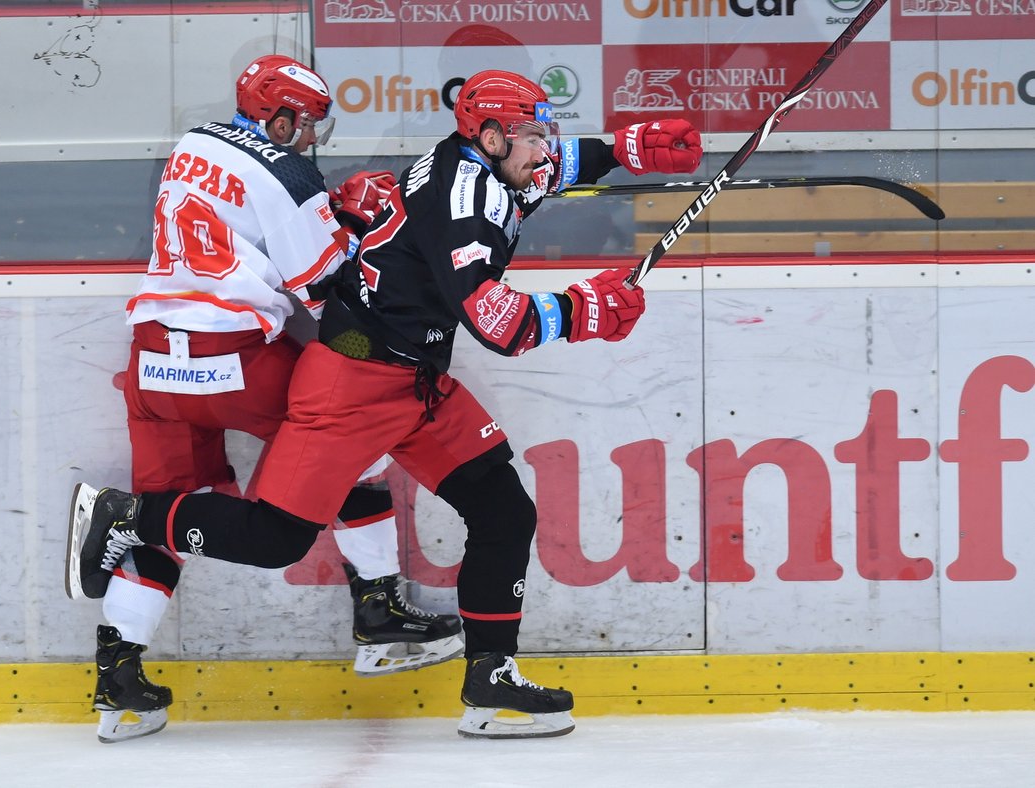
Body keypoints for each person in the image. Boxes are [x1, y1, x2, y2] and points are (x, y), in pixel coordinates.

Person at [68, 69, 703, 739]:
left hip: (399, 378)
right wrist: (584, 310)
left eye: (545, 136)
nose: (545, 150)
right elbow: (498, 322)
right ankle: (135, 516)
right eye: (533, 137)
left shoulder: (485, 160)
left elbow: (542, 169)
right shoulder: (460, 207)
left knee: (503, 508)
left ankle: (488, 678)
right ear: (489, 137)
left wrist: (626, 148)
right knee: (277, 537)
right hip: (352, 383)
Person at [63, 54, 462, 744]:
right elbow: (325, 280)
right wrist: (350, 218)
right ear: (278, 117)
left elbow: (238, 223)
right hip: (232, 360)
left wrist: (325, 209)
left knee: (171, 518)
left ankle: (118, 677)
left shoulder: (194, 142)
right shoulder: (288, 171)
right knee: (351, 434)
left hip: (154, 363)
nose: (310, 139)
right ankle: (380, 612)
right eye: (305, 126)